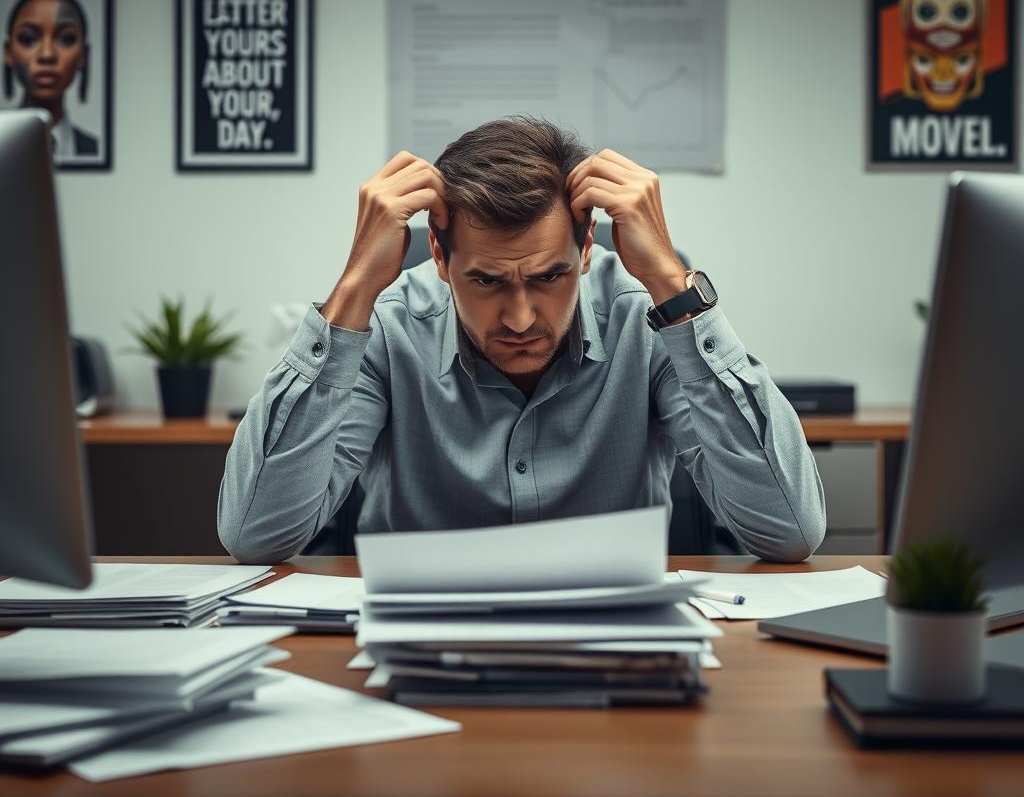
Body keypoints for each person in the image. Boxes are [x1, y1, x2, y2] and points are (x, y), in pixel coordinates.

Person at [218, 117, 825, 564]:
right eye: (486, 280)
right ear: (438, 254)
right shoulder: (386, 328)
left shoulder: (647, 322)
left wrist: (671, 282)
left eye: (548, 276)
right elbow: (256, 536)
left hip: (617, 645)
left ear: (587, 249)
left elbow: (790, 531)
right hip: (420, 646)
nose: (518, 317)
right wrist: (353, 290)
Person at [3, 0, 99, 159]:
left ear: (83, 55)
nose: (47, 54)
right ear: (8, 53)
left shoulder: (94, 149)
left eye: (66, 39)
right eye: (28, 39)